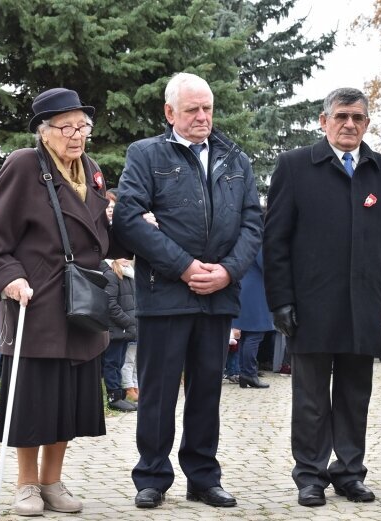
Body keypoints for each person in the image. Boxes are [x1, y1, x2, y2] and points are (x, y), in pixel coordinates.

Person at [113, 72, 262, 510]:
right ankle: (152, 477)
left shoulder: (235, 159)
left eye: (208, 109)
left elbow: (253, 224)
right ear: (169, 112)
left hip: (218, 296)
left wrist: (228, 272)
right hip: (164, 295)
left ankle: (202, 476)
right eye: (193, 109)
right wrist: (184, 267)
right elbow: (129, 218)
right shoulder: (145, 154)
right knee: (158, 391)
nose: (202, 117)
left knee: (206, 393)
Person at [263, 87, 381, 507]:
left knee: (354, 397)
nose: (350, 124)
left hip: (365, 307)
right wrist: (281, 301)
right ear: (323, 120)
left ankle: (349, 472)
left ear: (367, 124)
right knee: (310, 400)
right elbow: (275, 241)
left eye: (358, 118)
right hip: (309, 307)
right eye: (342, 116)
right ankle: (310, 476)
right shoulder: (295, 167)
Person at [0, 88, 117, 516]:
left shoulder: (91, 170)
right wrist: (7, 277)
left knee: (69, 401)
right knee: (33, 402)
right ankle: (25, 485)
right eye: (66, 127)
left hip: (82, 302)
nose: (77, 135)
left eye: (83, 126)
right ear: (44, 131)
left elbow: (97, 235)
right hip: (36, 303)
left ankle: (52, 481)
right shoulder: (22, 164)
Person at [232, 248, 273, 389]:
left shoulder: (246, 241)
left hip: (246, 289)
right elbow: (268, 267)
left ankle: (244, 373)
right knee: (255, 334)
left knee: (246, 335)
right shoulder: (259, 244)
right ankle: (249, 373)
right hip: (256, 292)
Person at [101, 258, 138, 412]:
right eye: (122, 256)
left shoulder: (128, 274)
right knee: (112, 363)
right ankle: (113, 398)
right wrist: (128, 322)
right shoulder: (111, 274)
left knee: (119, 363)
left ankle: (120, 396)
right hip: (116, 329)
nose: (127, 259)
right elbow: (110, 303)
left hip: (124, 330)